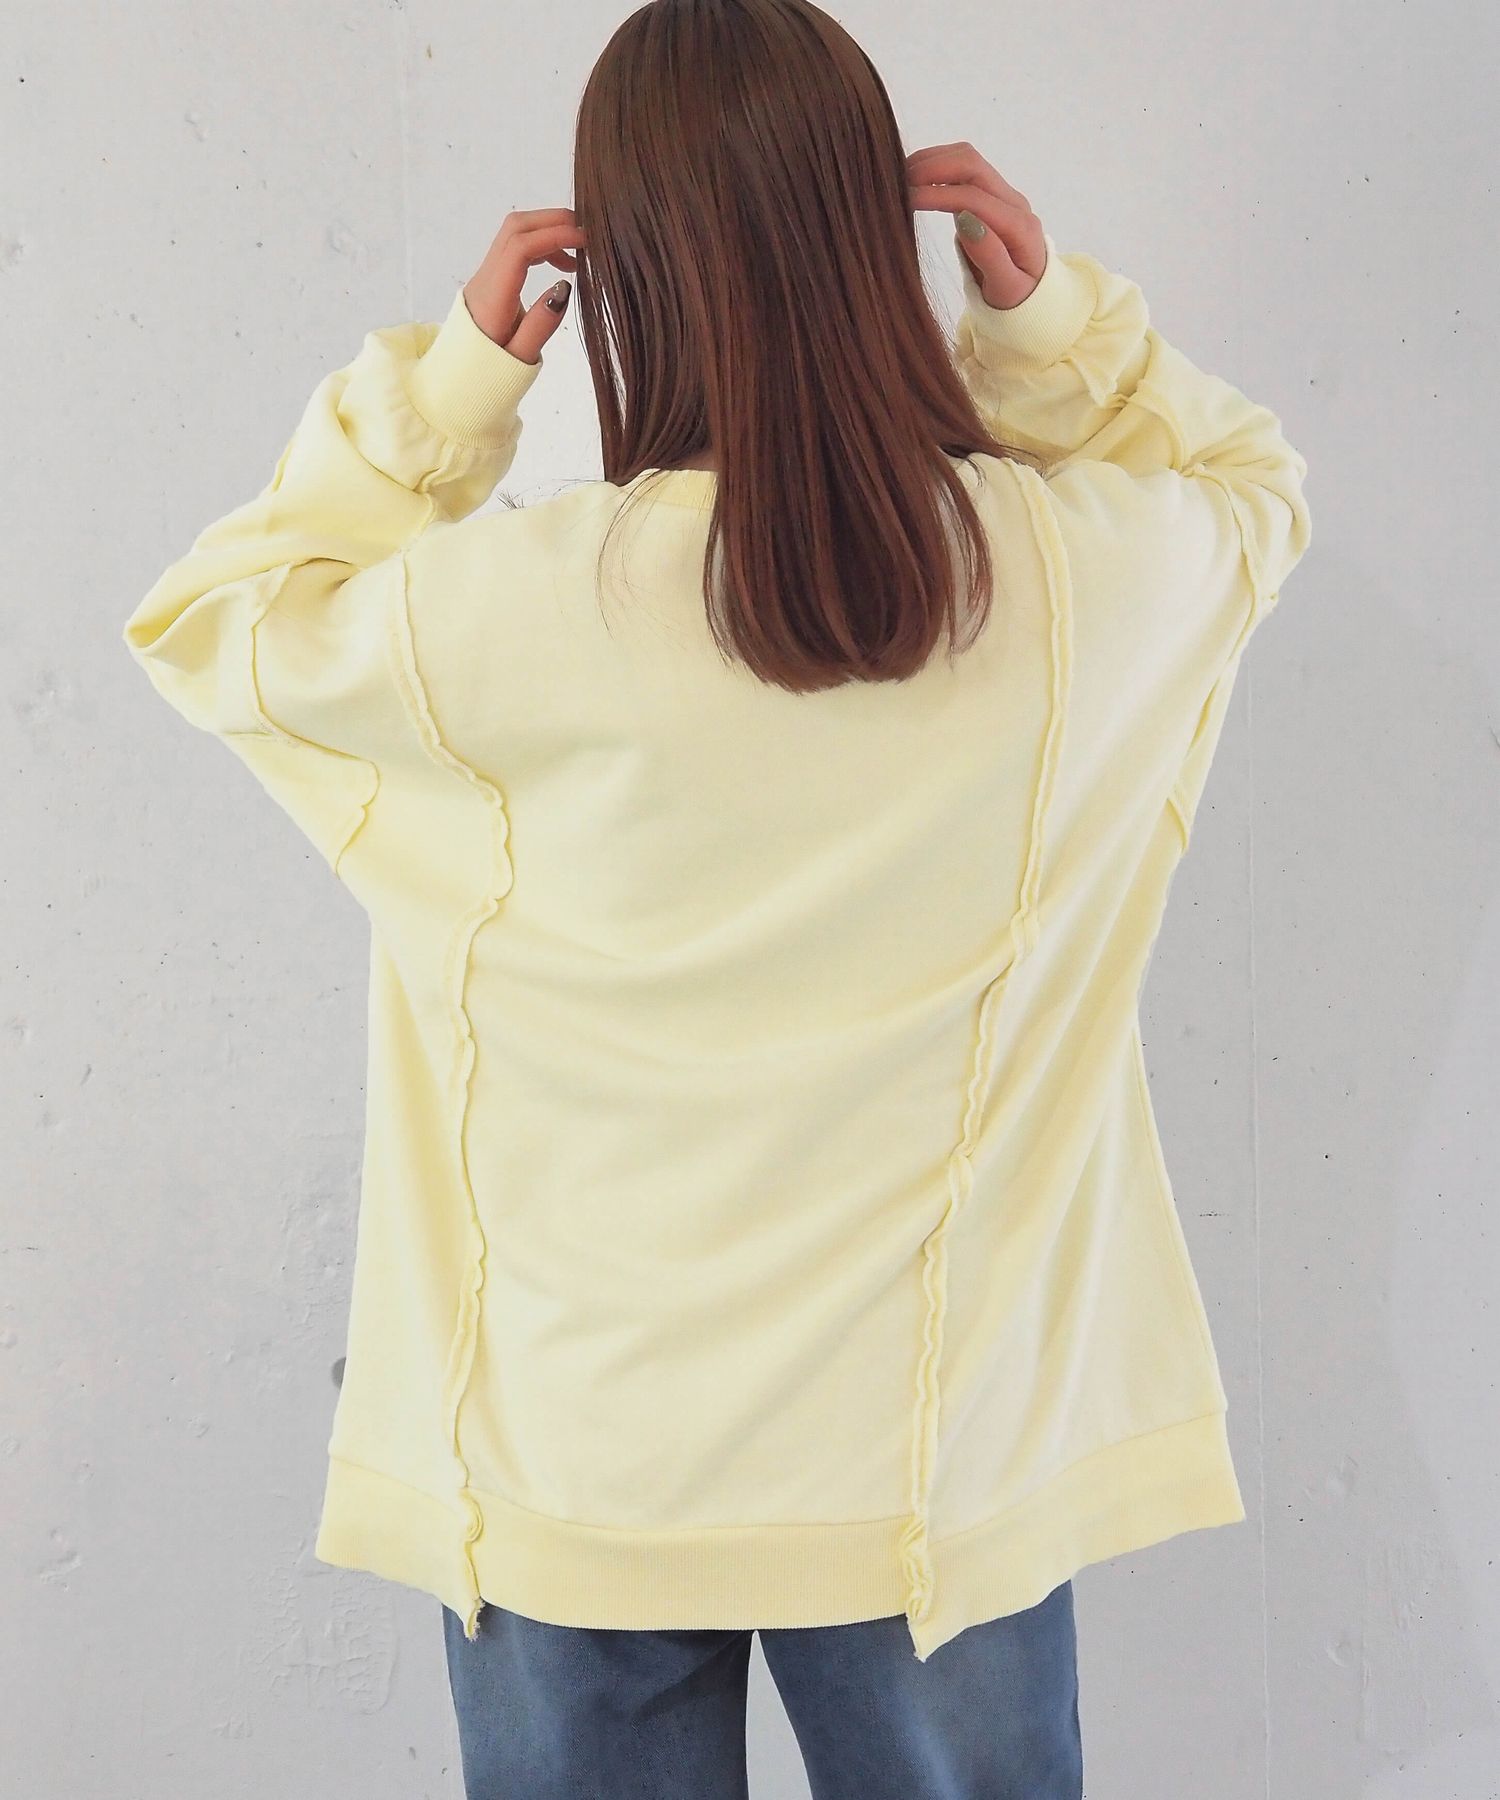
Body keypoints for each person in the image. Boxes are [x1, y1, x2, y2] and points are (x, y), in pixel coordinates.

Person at [121, 0, 1311, 1792]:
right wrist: (1049, 331)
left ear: (618, 268)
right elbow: (1247, 492)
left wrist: (451, 391)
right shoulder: (1068, 586)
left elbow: (218, 621)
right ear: (876, 231)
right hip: (933, 1474)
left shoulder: (496, 614)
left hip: (573, 1458)